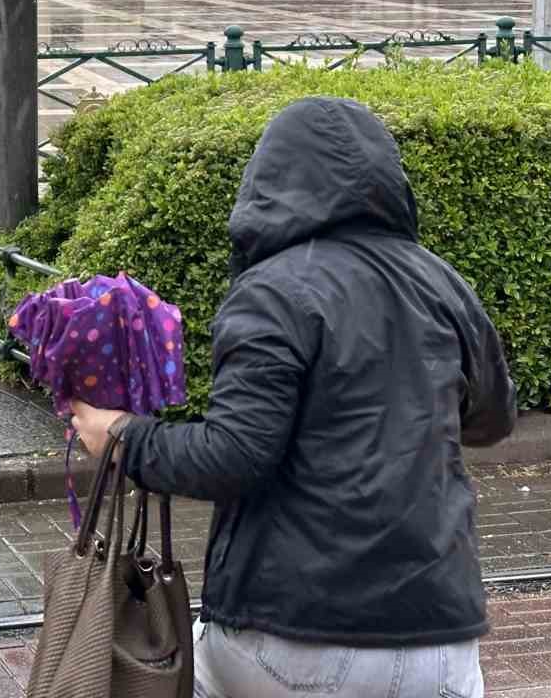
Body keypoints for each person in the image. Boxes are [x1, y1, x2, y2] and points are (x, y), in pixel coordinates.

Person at [71, 97, 516, 698]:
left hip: (296, 628)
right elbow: (491, 420)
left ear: (268, 185)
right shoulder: (441, 282)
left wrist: (122, 436)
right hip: (438, 636)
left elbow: (233, 456)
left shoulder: (272, 293)